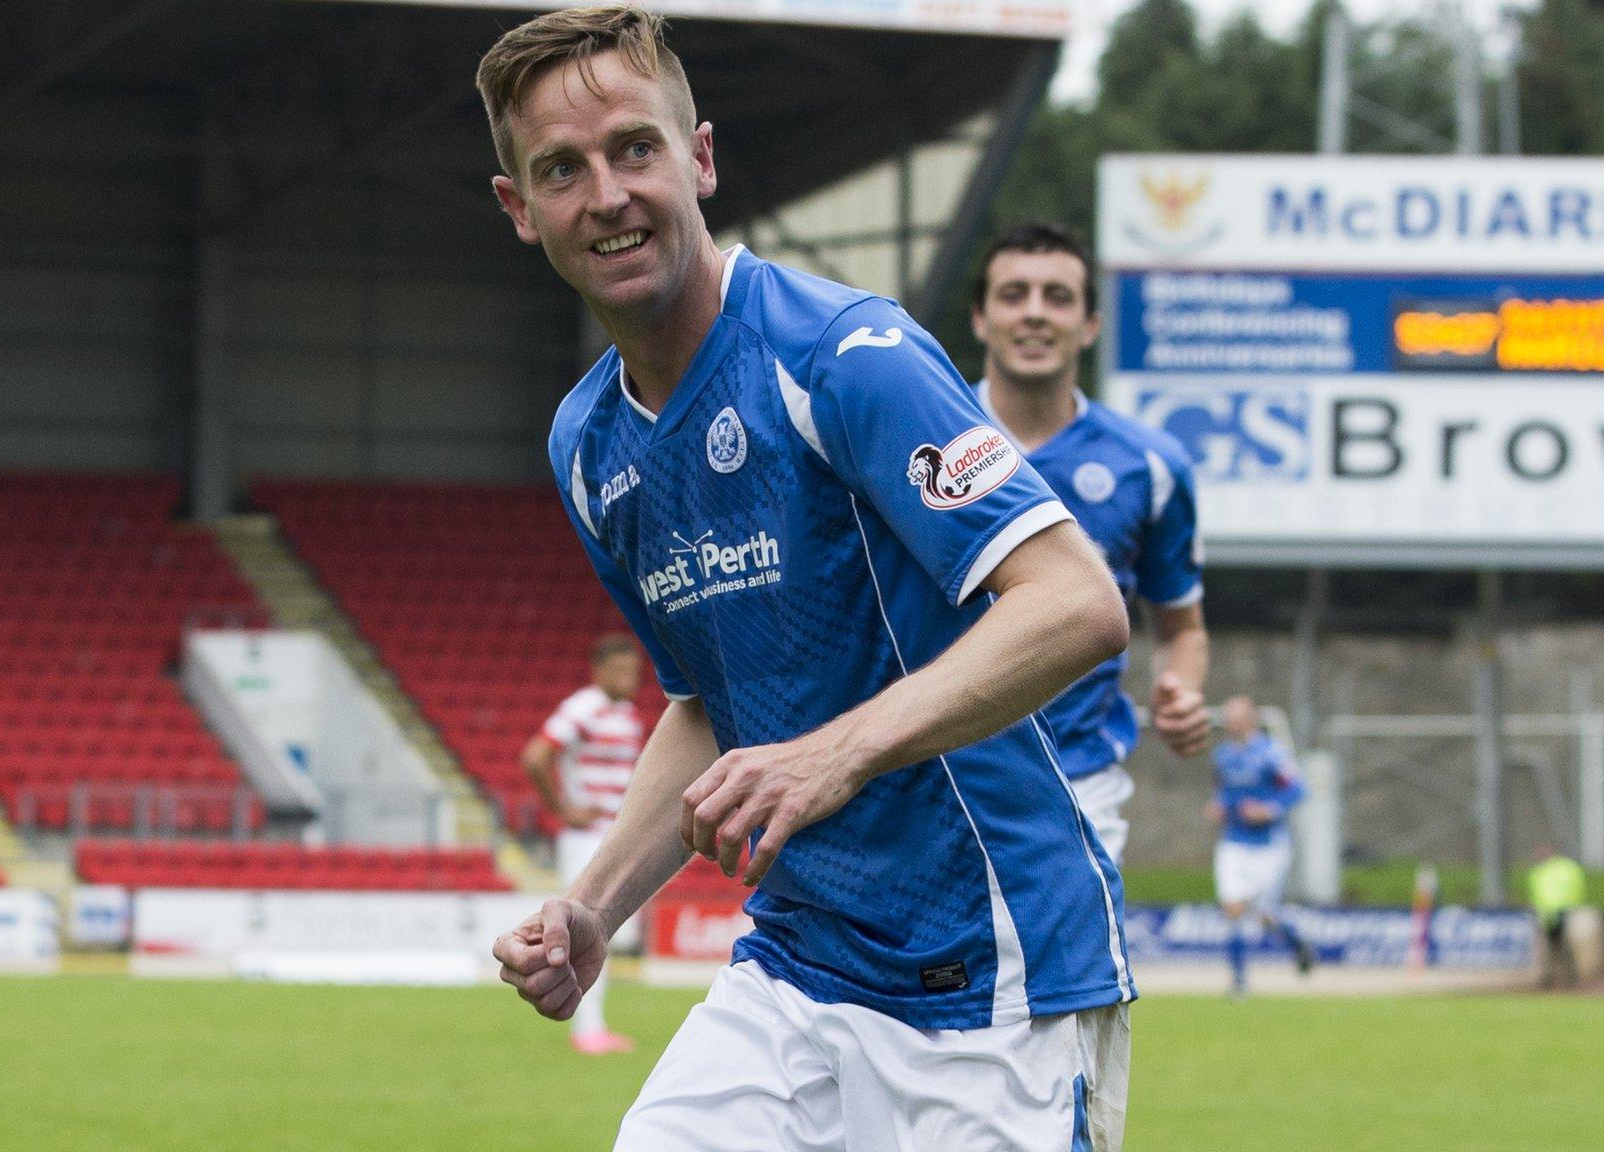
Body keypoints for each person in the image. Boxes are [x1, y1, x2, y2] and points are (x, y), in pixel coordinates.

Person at [476, 9, 1134, 1149]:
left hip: (990, 971)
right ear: (519, 210)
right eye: (561, 170)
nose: (608, 193)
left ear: (700, 159)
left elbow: (1075, 602)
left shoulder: (843, 355)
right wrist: (593, 906)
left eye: (635, 148)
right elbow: (704, 705)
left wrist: (834, 753)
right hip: (797, 962)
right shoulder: (586, 446)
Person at [968, 222, 1210, 866]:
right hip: (930, 779)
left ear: (1091, 324)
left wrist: (1181, 690)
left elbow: (1181, 626)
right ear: (980, 319)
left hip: (1079, 785)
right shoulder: (918, 444)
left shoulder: (1151, 465)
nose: (1035, 314)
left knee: (1073, 971)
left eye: (1058, 296)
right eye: (1014, 294)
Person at [519, 633, 648, 1053]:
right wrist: (562, 808)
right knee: (584, 928)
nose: (629, 677)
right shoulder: (584, 708)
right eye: (620, 669)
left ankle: (592, 1025)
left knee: (601, 932)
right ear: (598, 671)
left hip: (610, 835)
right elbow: (536, 755)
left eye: (633, 670)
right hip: (584, 837)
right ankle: (587, 1029)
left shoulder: (627, 715)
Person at [1209, 695, 1314, 995]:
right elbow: (1226, 792)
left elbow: (1298, 789)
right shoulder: (1223, 756)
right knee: (1233, 907)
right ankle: (1239, 982)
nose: (1230, 723)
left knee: (1263, 914)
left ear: (1251, 719)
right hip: (1233, 842)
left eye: (1236, 717)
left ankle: (1297, 943)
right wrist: (1219, 806)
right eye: (1227, 717)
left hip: (1268, 845)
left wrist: (1269, 809)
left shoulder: (1272, 754)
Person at [1526, 843, 1587, 989]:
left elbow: (1576, 887)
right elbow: (1535, 891)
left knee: (1565, 946)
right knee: (1546, 948)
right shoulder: (1538, 870)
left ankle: (1571, 979)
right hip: (1544, 913)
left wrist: (1573, 905)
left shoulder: (1565, 868)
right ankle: (1548, 979)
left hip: (1563, 911)